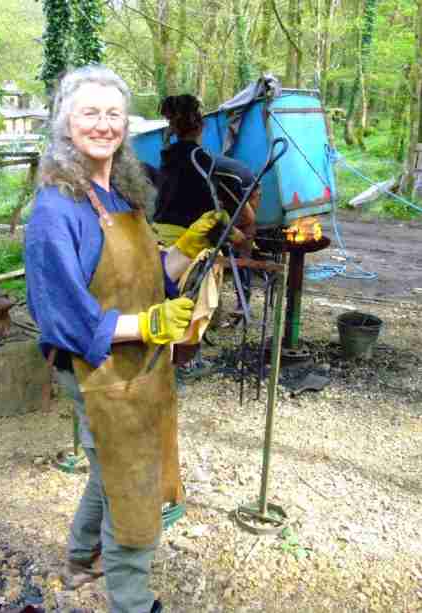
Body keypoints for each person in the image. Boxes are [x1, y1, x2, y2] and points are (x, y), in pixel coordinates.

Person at [24, 65, 227, 613]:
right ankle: (133, 601)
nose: (103, 124)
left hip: (140, 362)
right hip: (99, 372)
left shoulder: (120, 196)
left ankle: (77, 558)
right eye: (90, 112)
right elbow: (64, 315)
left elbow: (146, 279)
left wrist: (183, 249)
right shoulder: (56, 209)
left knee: (107, 465)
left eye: (113, 114)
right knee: (131, 481)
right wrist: (150, 325)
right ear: (65, 122)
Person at [153, 93, 260, 317]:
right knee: (243, 236)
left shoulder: (167, 157)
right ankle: (242, 302)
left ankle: (240, 303)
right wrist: (238, 236)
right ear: (201, 126)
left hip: (158, 241)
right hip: (187, 246)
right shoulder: (201, 159)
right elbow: (213, 215)